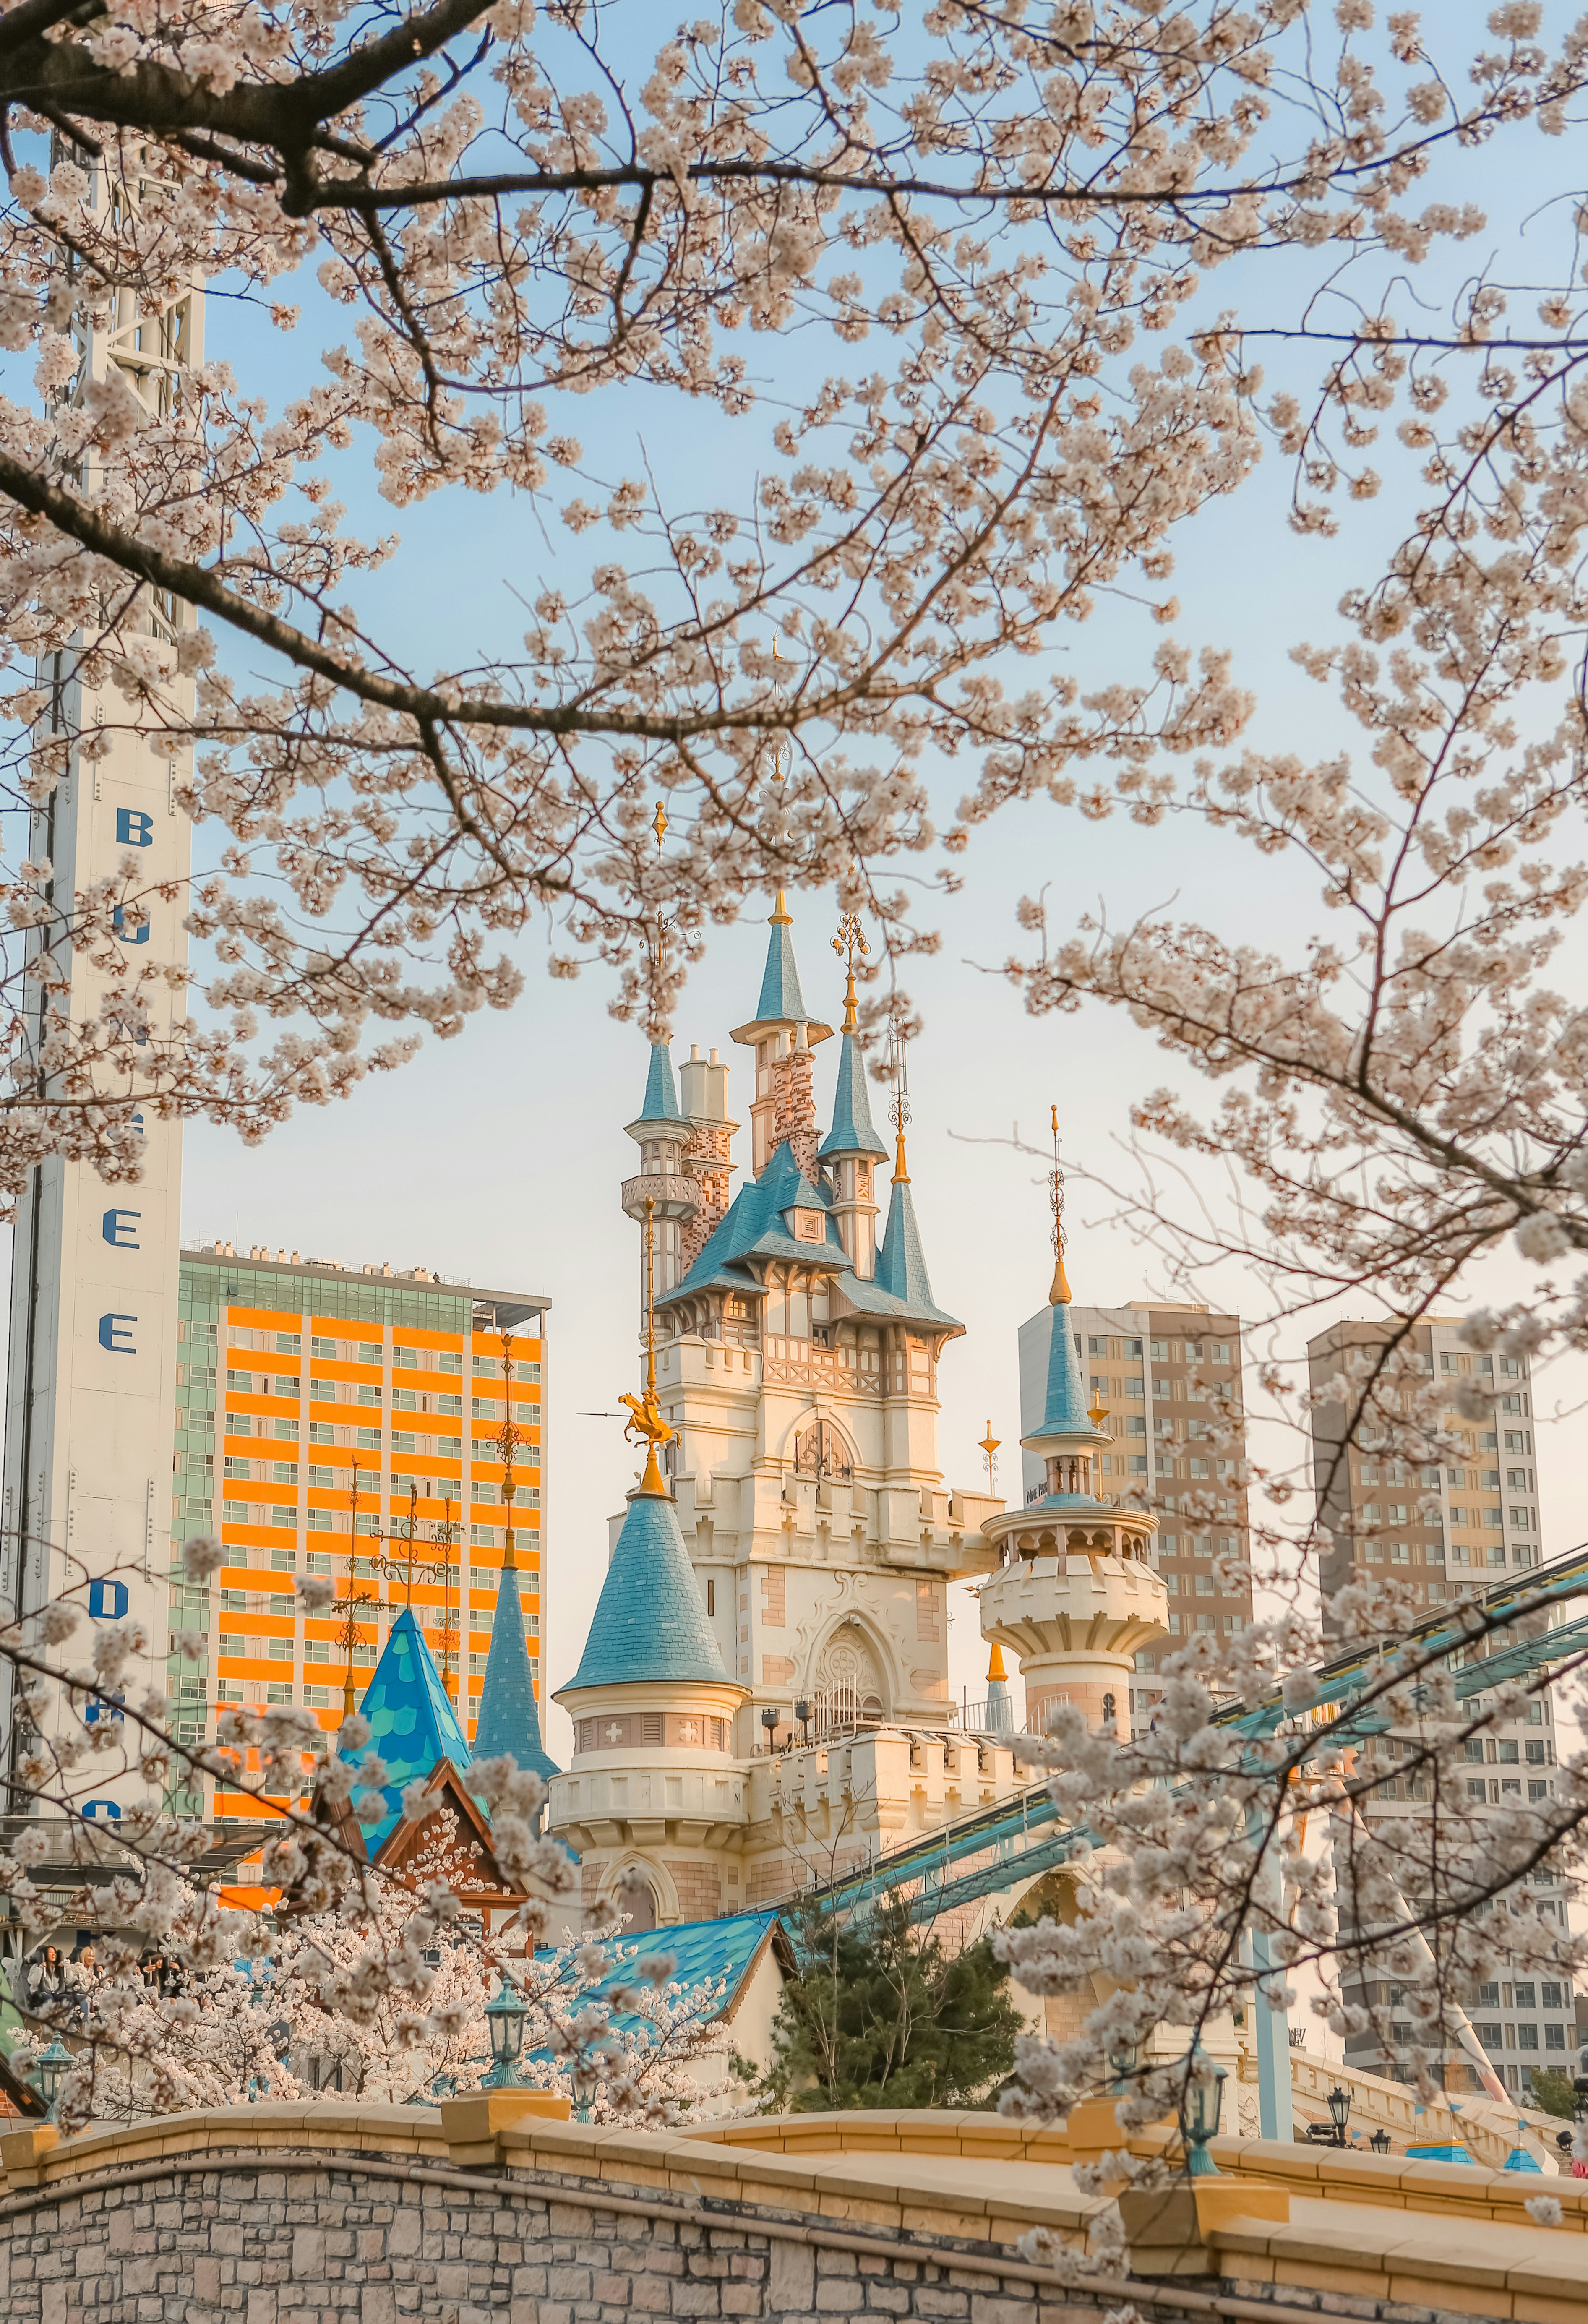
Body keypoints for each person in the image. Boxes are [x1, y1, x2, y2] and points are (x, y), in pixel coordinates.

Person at [25, 1945, 67, 2014]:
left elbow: (67, 1983)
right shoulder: (36, 1967)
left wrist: (65, 1969)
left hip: (54, 1992)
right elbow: (34, 1982)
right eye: (51, 1952)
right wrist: (41, 1968)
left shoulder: (57, 1969)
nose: (54, 1954)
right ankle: (47, 2019)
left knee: (66, 1998)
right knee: (49, 1998)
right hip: (39, 1993)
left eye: (55, 1952)